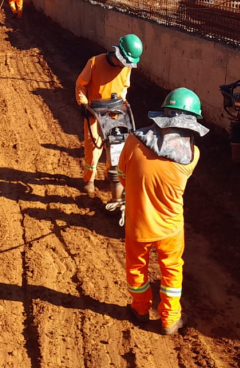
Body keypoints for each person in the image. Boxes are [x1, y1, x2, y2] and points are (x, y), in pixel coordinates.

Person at [118, 88, 208, 335]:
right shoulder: (193, 156)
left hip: (138, 224)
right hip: (171, 228)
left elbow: (123, 178)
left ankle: (139, 310)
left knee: (136, 267)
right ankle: (170, 319)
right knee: (172, 271)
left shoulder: (133, 140)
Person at [75, 34, 143, 201]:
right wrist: (83, 104)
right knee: (94, 146)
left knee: (116, 145)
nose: (126, 65)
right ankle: (89, 180)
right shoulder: (95, 62)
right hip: (95, 111)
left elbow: (125, 86)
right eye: (125, 61)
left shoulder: (126, 67)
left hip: (116, 110)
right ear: (118, 54)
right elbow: (80, 84)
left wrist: (123, 102)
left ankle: (111, 174)